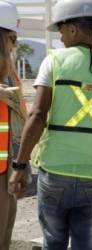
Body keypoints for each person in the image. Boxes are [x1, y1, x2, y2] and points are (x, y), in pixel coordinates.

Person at [8, 0, 92, 249]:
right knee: (86, 244)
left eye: (60, 29)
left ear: (73, 29)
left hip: (55, 169)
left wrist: (20, 165)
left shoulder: (54, 61)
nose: (59, 35)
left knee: (54, 241)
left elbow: (37, 115)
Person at [0, 1, 28, 249]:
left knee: (6, 229)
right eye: (11, 37)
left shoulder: (8, 68)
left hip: (6, 164)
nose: (14, 44)